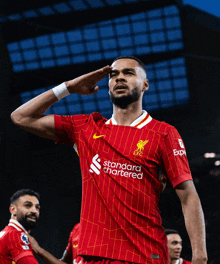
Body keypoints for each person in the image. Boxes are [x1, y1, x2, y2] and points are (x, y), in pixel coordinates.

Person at [11, 56, 207, 264]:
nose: (119, 78)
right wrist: (68, 87)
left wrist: (200, 257)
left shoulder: (163, 133)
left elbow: (187, 195)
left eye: (128, 73)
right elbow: (21, 117)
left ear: (145, 85)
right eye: (114, 75)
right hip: (95, 255)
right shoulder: (86, 128)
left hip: (144, 254)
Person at [0, 189, 40, 264]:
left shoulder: (5, 233)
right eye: (28, 206)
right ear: (13, 209)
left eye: (37, 207)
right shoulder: (15, 236)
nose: (34, 211)